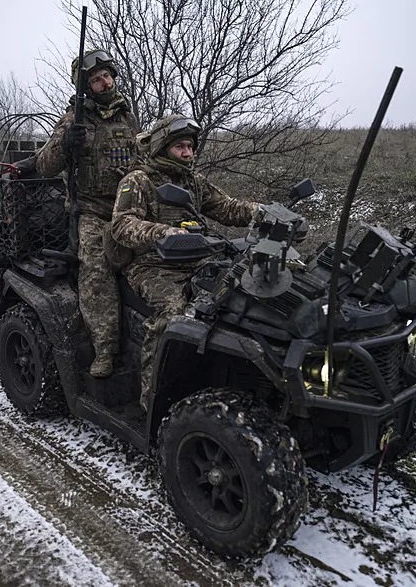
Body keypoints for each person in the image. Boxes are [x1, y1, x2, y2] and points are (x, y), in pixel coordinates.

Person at [111, 114, 261, 411]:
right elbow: (121, 225)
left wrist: (261, 212)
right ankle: (152, 395)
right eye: (180, 146)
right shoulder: (138, 180)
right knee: (173, 312)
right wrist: (162, 233)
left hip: (197, 258)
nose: (188, 153)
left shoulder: (191, 179)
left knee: (238, 299)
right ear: (163, 147)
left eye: (190, 146)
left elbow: (226, 207)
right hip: (153, 265)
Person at [29, 49, 140, 378]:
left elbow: (141, 158)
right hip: (90, 210)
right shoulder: (73, 118)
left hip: (127, 206)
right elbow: (44, 165)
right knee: (95, 271)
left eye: (106, 76)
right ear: (85, 86)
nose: (104, 83)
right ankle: (105, 348)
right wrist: (66, 142)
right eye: (95, 79)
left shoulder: (127, 116)